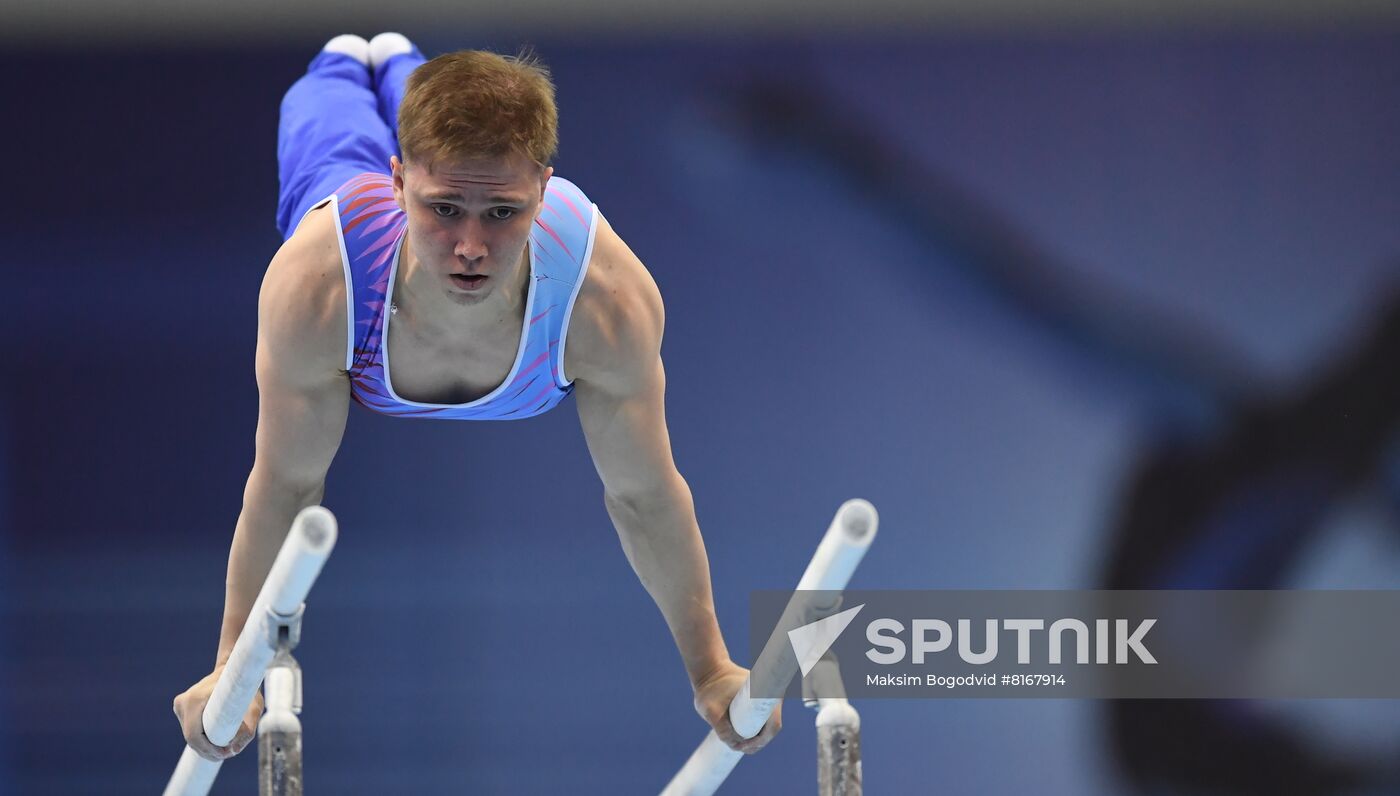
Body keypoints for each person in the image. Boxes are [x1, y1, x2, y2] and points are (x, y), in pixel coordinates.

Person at [172, 32, 781, 763]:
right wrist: (232, 669)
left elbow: (644, 496)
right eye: (443, 209)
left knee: (415, 106)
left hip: (464, 258)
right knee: (328, 103)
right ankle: (362, 58)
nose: (469, 246)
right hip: (356, 229)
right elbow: (287, 484)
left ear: (545, 190)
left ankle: (402, 64)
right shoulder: (320, 286)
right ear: (398, 182)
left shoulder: (603, 304)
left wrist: (711, 668)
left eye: (502, 214)